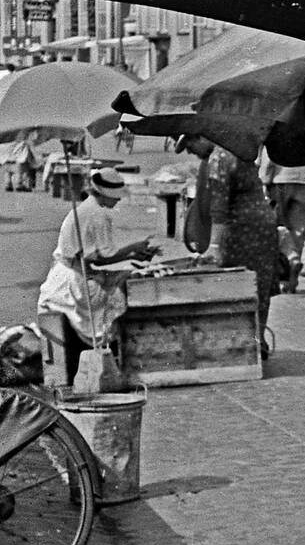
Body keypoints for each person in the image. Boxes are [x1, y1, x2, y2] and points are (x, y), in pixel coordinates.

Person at [37, 168, 158, 375]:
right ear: (103, 194)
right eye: (115, 197)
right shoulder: (98, 214)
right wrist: (133, 248)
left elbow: (96, 257)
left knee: (119, 279)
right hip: (75, 281)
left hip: (65, 274)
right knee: (121, 293)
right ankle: (116, 355)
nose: (118, 202)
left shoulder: (86, 208)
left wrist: (131, 256)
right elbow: (104, 256)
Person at [176, 134, 279, 360]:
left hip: (244, 230)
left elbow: (219, 210)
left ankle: (243, 345)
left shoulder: (218, 159)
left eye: (191, 144)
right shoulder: (234, 149)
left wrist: (214, 247)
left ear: (202, 135)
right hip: (262, 225)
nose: (190, 151)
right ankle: (256, 340)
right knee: (258, 285)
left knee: (235, 285)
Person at [259, 156, 305, 293]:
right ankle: (292, 273)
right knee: (299, 231)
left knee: (278, 230)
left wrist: (264, 179)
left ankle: (281, 275)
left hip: (280, 179)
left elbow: (270, 151)